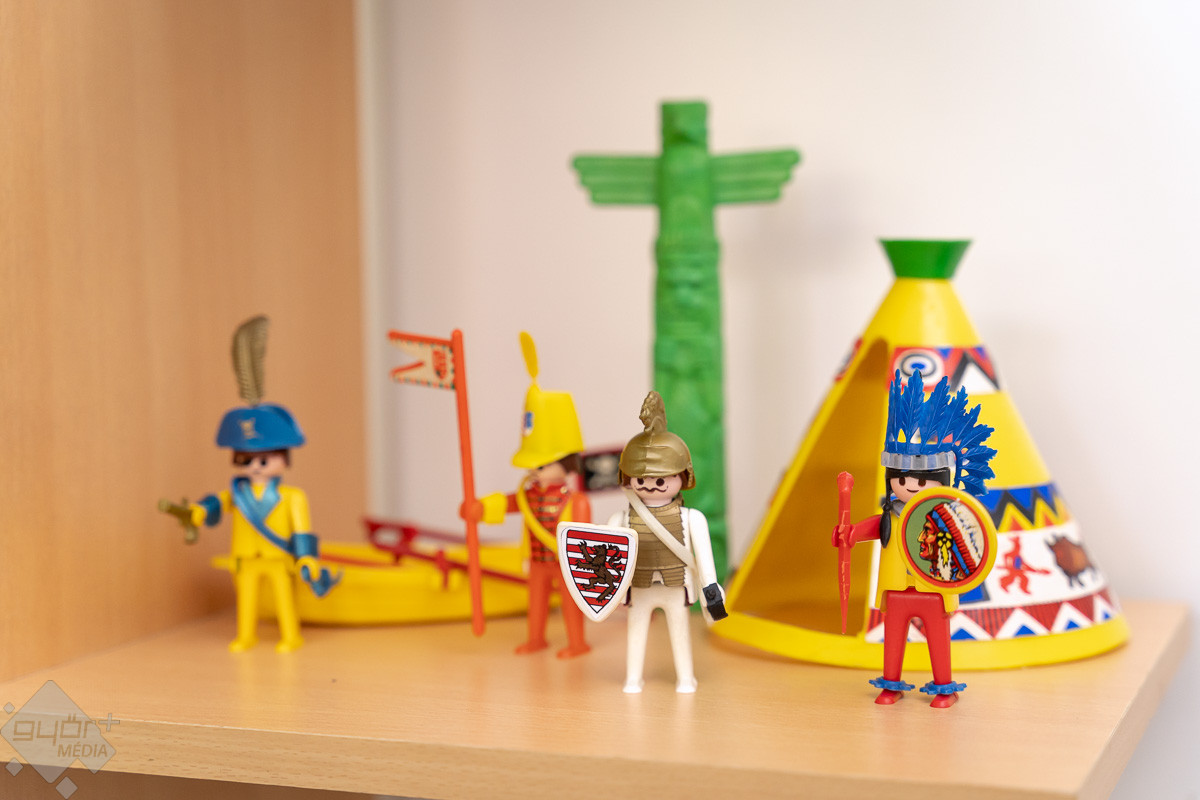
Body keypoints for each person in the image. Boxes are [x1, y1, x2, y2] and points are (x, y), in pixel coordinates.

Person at [833, 370, 996, 708]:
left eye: (922, 480)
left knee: (938, 639)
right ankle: (891, 684)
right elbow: (870, 529)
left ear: (941, 479)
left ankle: (945, 687)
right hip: (897, 588)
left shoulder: (948, 517)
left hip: (933, 588)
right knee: (893, 638)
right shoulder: (891, 515)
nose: (910, 486)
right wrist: (849, 534)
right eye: (902, 478)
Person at [608, 391, 725, 694]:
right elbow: (607, 557)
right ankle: (633, 678)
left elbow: (705, 559)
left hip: (675, 585)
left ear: (682, 477)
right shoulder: (621, 519)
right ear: (628, 478)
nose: (650, 485)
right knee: (636, 632)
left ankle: (685, 678)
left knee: (680, 632)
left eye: (661, 480)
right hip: (640, 586)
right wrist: (610, 591)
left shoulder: (691, 518)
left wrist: (711, 587)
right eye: (641, 479)